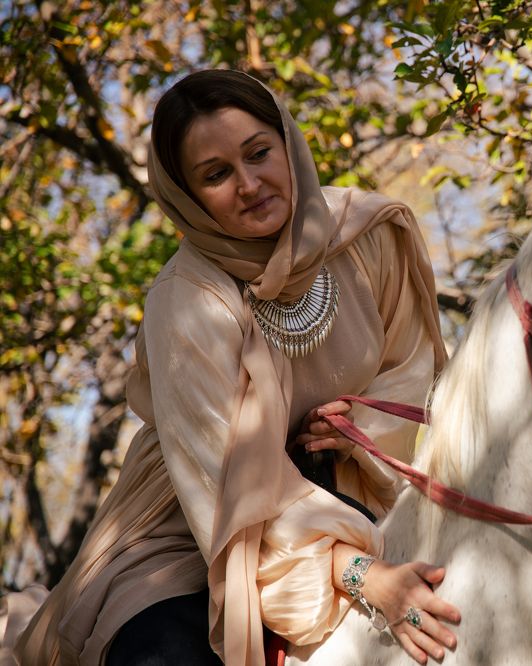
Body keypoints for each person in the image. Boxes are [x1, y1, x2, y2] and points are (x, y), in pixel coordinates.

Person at [7, 69, 459, 666]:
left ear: (287, 143)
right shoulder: (187, 300)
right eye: (217, 175)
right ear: (189, 197)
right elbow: (226, 491)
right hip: (186, 534)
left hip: (354, 494)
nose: (249, 184)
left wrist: (360, 426)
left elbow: (411, 371)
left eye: (258, 153)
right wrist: (357, 574)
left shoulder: (369, 236)